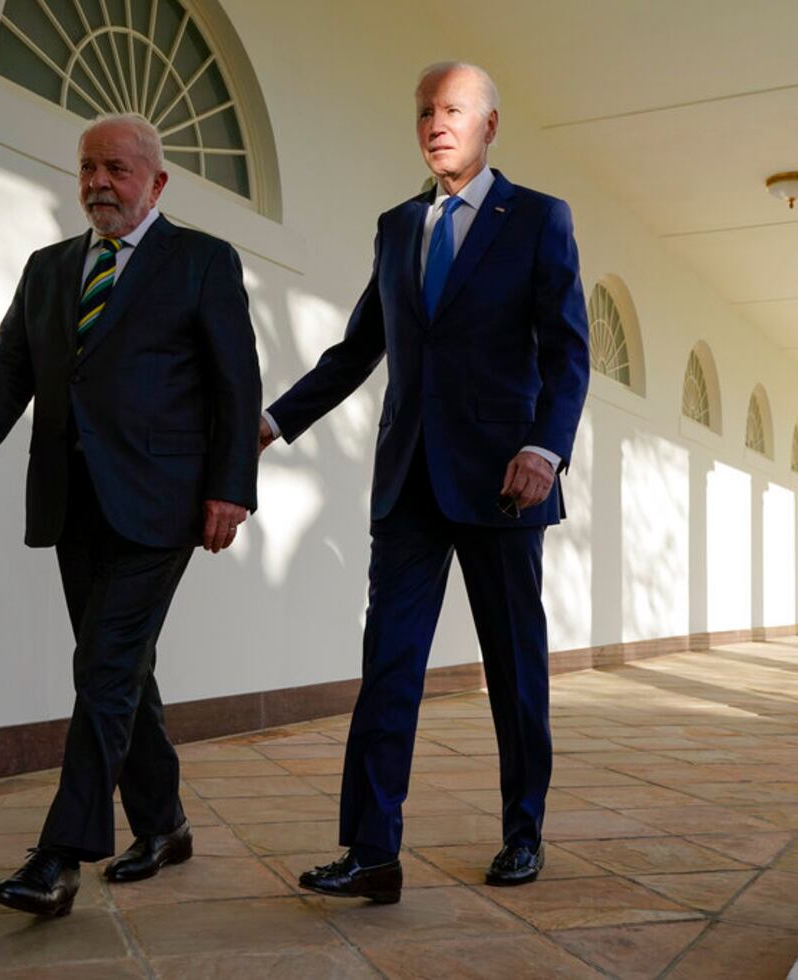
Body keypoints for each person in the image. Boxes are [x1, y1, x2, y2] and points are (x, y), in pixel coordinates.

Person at [260, 62, 589, 901]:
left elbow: (567, 352)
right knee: (390, 666)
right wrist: (272, 421)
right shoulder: (398, 225)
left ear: (489, 125)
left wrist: (545, 451)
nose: (435, 123)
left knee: (514, 670)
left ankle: (524, 832)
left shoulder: (539, 219)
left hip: (505, 482)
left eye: (452, 109)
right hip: (408, 481)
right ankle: (373, 852)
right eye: (424, 112)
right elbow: (357, 348)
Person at [0, 113, 261, 916]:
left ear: (157, 182)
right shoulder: (49, 269)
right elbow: (10, 360)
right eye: (88, 168)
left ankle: (60, 856)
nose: (98, 184)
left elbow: (236, 384)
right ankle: (165, 823)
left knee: (106, 667)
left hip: (163, 502)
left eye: (117, 169)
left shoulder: (202, 261)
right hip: (70, 497)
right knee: (122, 668)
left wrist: (232, 487)